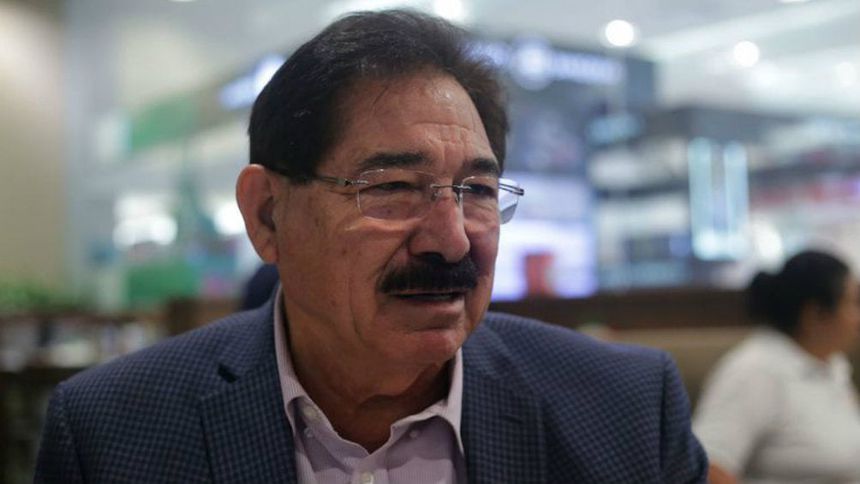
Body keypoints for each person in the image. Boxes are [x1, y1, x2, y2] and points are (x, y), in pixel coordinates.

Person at [35, 10, 707, 483]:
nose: (451, 240)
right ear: (267, 214)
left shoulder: (623, 412)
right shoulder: (115, 431)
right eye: (392, 188)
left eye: (476, 189)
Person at [694, 250, 860, 483]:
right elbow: (708, 468)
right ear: (815, 314)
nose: (858, 318)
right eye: (853, 303)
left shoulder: (832, 364)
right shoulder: (756, 370)